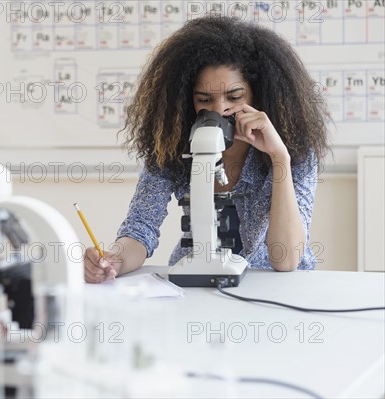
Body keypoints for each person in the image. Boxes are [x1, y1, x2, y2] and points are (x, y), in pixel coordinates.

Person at [84, 16, 330, 283]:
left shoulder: (295, 152)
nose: (219, 110)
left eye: (234, 97)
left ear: (259, 94)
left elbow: (286, 260)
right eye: (204, 99)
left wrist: (279, 157)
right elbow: (140, 229)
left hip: (270, 286)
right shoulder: (172, 149)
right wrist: (113, 260)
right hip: (196, 283)